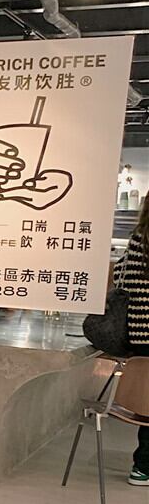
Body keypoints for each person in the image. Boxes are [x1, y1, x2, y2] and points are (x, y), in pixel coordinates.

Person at [115, 195, 149, 486]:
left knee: (146, 397)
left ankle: (142, 466)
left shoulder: (138, 240)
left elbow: (120, 280)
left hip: (138, 333)